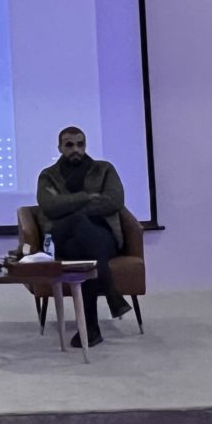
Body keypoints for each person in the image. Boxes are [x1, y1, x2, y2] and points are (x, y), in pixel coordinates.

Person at [36, 126, 131, 348]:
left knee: (84, 253)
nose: (76, 149)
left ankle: (90, 329)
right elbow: (49, 206)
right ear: (60, 147)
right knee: (77, 223)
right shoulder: (48, 175)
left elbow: (114, 201)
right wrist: (87, 197)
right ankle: (112, 295)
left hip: (101, 235)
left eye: (80, 144)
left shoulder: (104, 170)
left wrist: (69, 207)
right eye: (69, 145)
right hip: (61, 236)